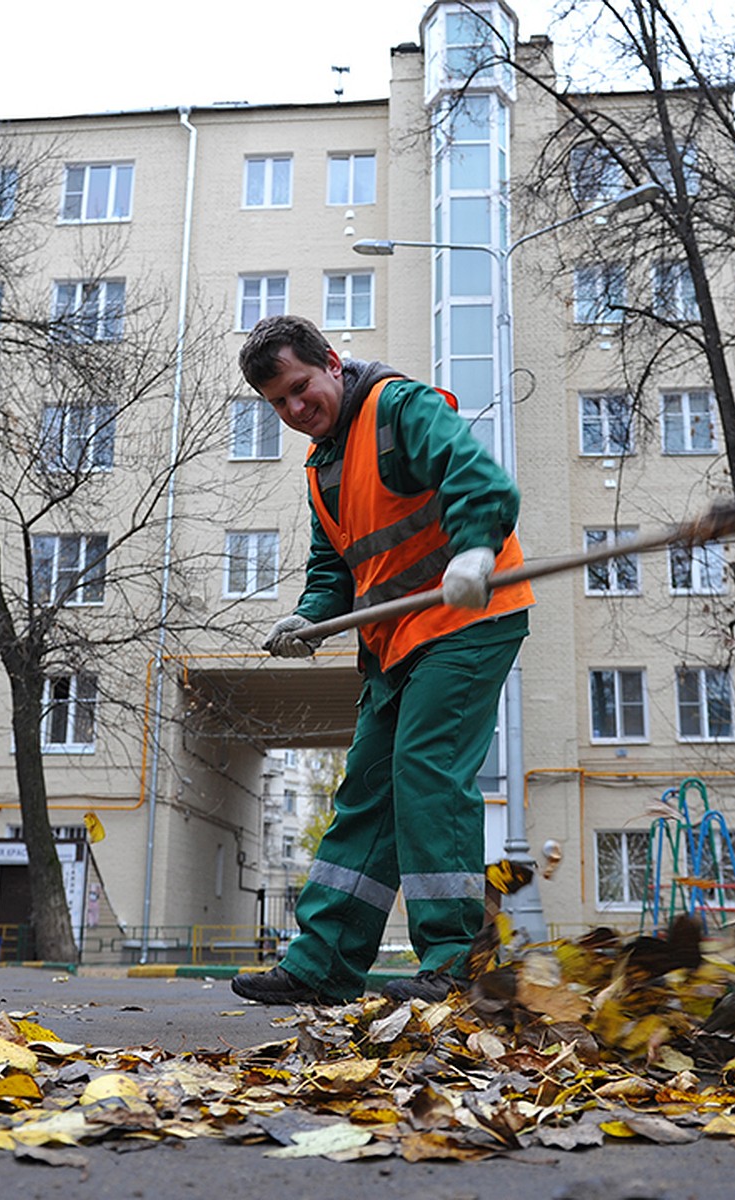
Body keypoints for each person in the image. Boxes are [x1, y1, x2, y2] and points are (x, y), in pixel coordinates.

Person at [231, 315, 533, 1005]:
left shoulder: (400, 408)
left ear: (332, 363)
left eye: (302, 388)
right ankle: (325, 963)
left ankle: (456, 963)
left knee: (424, 772)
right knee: (367, 788)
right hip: (396, 641)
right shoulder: (323, 468)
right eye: (279, 403)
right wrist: (311, 617)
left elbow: (477, 477)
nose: (296, 409)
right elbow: (333, 566)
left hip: (469, 619)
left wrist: (475, 550)